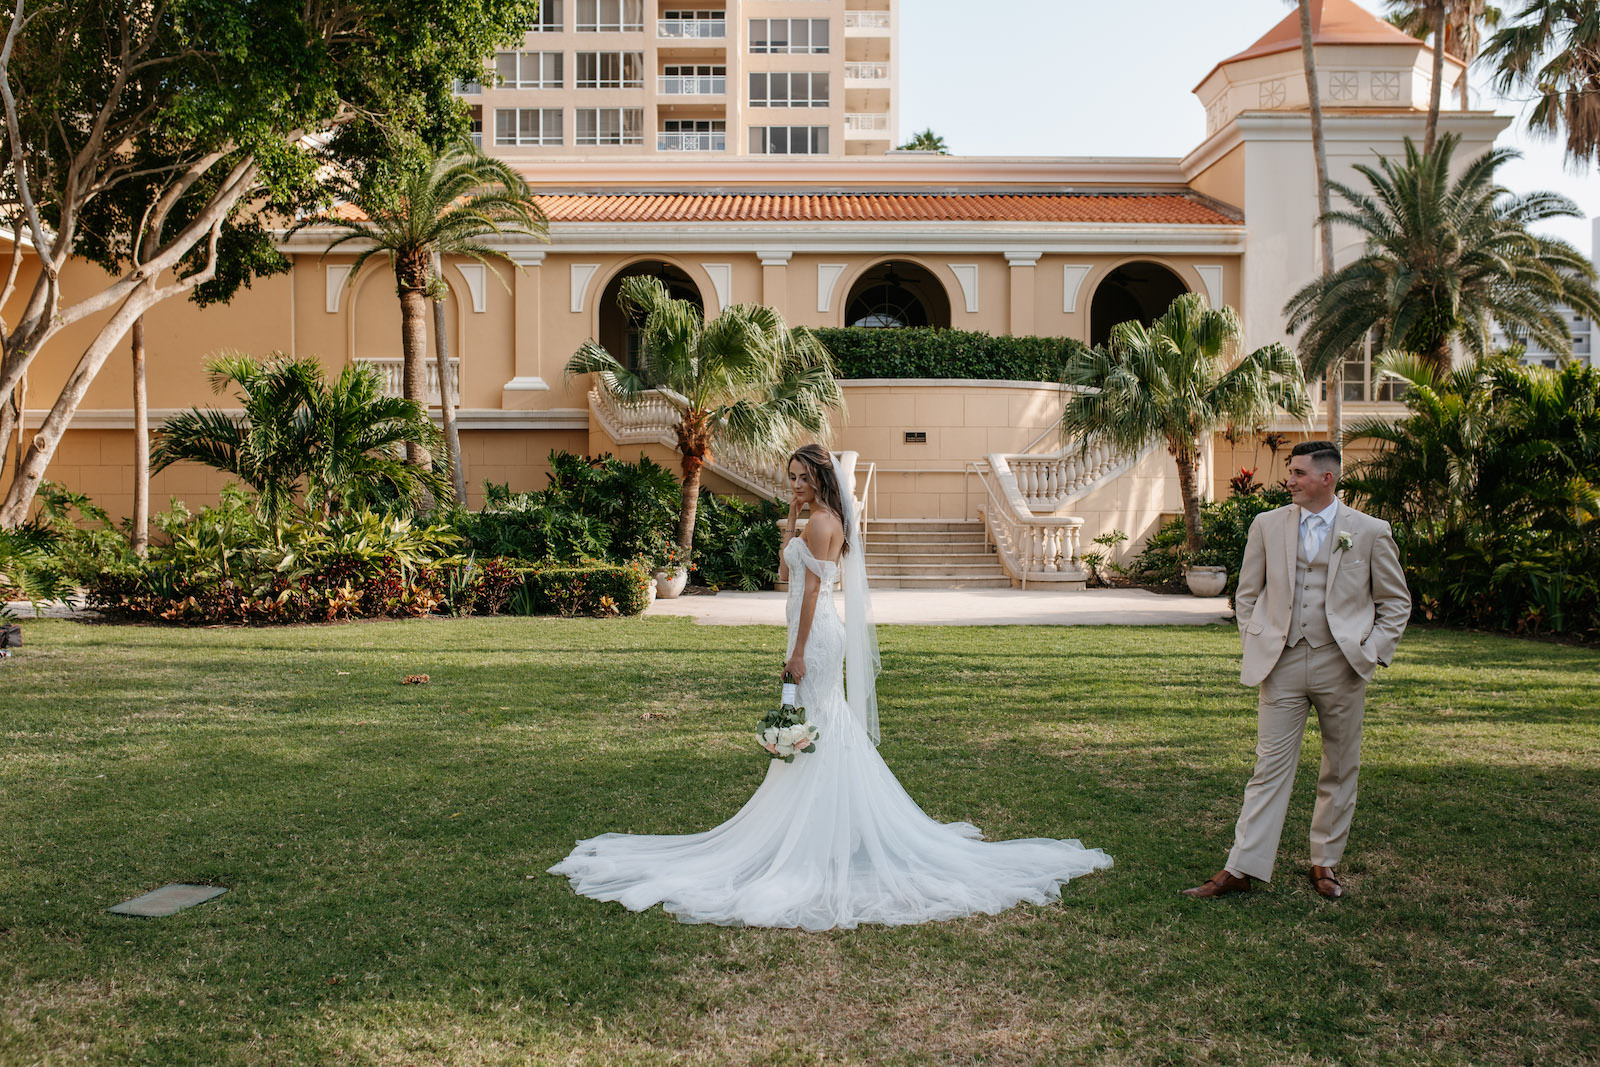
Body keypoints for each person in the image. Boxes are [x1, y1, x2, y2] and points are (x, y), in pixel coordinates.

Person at [550, 443, 1111, 930]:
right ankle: (825, 827)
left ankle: (818, 836)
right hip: (808, 630)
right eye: (790, 478)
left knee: (816, 722)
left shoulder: (824, 524)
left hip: (815, 638)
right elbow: (784, 571)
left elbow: (812, 593)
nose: (793, 485)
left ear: (821, 477)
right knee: (821, 725)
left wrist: (796, 652)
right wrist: (792, 517)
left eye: (801, 478)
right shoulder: (812, 520)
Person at [1183, 441, 1410, 901]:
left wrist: (1371, 653)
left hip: (1342, 664)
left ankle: (1324, 861)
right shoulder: (1268, 525)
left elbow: (1395, 602)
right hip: (1281, 661)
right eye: (1291, 471)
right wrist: (1255, 637)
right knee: (1268, 768)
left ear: (1328, 478)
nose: (1289, 479)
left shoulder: (1368, 531)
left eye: (1300, 473)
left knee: (1340, 767)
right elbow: (1247, 594)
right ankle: (1242, 866)